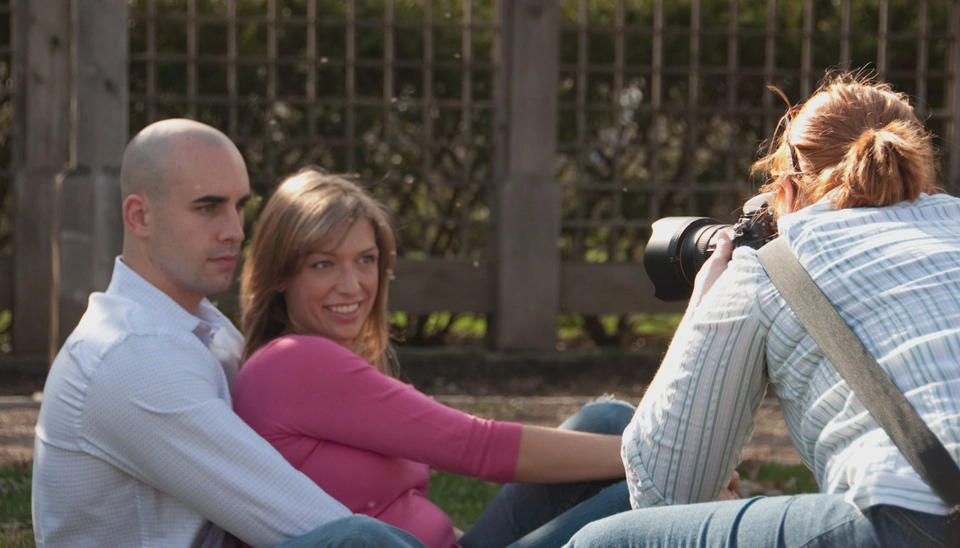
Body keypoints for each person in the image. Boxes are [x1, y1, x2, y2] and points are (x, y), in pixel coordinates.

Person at [562, 72, 960, 547]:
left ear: (786, 187)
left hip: (920, 521)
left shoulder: (772, 267)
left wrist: (705, 302)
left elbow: (666, 490)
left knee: (601, 543)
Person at [31, 119, 426, 548]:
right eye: (208, 208)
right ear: (140, 216)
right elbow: (302, 519)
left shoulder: (201, 328)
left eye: (239, 206)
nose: (235, 231)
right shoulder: (133, 356)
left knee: (514, 498)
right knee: (358, 541)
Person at [232, 168, 646, 548]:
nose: (352, 285)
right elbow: (478, 447)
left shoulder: (316, 360)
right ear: (281, 274)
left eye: (365, 260)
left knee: (606, 421)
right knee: (639, 496)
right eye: (323, 264)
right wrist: (651, 458)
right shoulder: (294, 361)